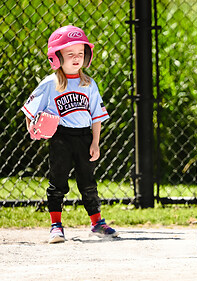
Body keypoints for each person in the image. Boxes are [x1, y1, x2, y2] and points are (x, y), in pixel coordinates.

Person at [21, 25, 118, 244]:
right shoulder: (50, 83)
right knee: (58, 182)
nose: (76, 58)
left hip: (84, 138)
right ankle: (56, 225)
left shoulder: (89, 84)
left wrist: (95, 142)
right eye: (70, 54)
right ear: (56, 58)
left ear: (88, 56)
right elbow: (29, 109)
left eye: (81, 53)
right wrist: (32, 128)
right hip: (61, 138)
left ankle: (97, 224)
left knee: (88, 183)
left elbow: (96, 117)